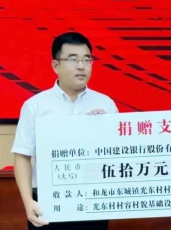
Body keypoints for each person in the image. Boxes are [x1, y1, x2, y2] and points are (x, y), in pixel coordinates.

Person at [11, 32, 119, 229]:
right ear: (56, 65)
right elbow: (22, 156)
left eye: (87, 59)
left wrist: (103, 130)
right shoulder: (35, 106)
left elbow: (117, 155)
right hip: (47, 203)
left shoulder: (106, 104)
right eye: (73, 59)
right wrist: (28, 201)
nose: (81, 66)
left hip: (93, 202)